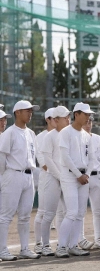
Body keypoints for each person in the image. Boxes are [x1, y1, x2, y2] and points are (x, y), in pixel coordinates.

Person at [0, 100, 41, 261]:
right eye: (27, 111)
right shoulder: (10, 132)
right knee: (6, 215)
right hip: (13, 174)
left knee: (25, 215)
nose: (30, 113)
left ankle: (24, 248)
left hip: (28, 175)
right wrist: (4, 176)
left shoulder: (31, 133)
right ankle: (2, 249)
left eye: (31, 111)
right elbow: (2, 157)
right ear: (17, 112)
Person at [55, 102, 95, 258]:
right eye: (85, 114)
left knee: (80, 213)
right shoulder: (65, 132)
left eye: (89, 115)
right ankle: (61, 246)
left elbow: (92, 158)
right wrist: (79, 174)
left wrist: (87, 174)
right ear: (76, 114)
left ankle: (73, 245)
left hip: (84, 177)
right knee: (71, 212)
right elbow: (65, 157)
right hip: (70, 176)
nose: (88, 117)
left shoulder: (87, 135)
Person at [41, 106, 71, 257]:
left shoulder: (70, 135)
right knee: (49, 214)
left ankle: (66, 244)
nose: (68, 119)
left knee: (69, 213)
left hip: (67, 179)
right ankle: (45, 245)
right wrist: (61, 177)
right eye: (65, 117)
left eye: (68, 117)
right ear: (56, 120)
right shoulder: (49, 136)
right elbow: (48, 161)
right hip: (53, 178)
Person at [78, 116, 100, 250]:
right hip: (82, 177)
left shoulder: (98, 138)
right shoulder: (78, 137)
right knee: (81, 210)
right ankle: (80, 238)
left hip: (97, 176)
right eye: (86, 122)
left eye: (90, 122)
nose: (88, 124)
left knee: (98, 210)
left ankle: (99, 238)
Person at [33, 108, 55, 254]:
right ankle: (38, 243)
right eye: (54, 118)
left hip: (60, 177)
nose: (57, 120)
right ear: (47, 119)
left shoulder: (61, 134)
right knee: (42, 211)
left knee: (59, 212)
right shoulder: (40, 137)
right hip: (47, 176)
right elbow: (42, 161)